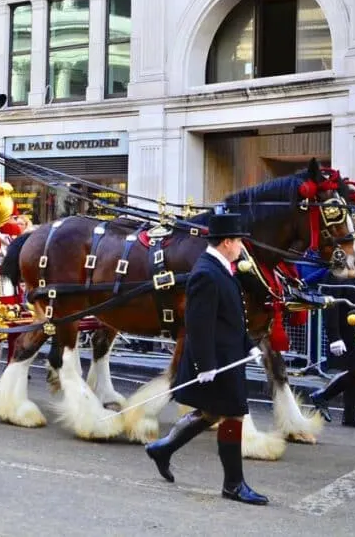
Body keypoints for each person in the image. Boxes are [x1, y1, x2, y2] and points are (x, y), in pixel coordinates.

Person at [144, 211, 268, 506]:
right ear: (226, 242)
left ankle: (163, 449)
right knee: (233, 414)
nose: (241, 247)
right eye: (238, 241)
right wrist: (205, 366)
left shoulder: (221, 267)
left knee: (213, 413)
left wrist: (247, 345)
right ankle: (233, 485)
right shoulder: (206, 273)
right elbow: (198, 326)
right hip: (214, 363)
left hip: (227, 357)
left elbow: (231, 316)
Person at [297, 249, 355, 428]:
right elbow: (331, 306)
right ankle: (322, 396)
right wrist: (334, 336)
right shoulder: (338, 273)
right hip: (346, 330)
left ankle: (350, 416)